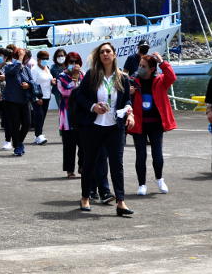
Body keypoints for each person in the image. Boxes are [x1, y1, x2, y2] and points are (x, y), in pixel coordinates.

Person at [74, 42, 135, 216]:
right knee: (89, 163)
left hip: (115, 127)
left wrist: (129, 113)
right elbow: (80, 97)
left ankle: (121, 202)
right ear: (99, 56)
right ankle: (85, 197)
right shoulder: (92, 75)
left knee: (117, 165)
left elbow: (126, 101)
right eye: (102, 52)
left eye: (108, 51)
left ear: (114, 55)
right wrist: (93, 106)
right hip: (94, 126)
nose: (105, 54)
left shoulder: (122, 77)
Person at [128, 52, 176, 195]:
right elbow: (122, 95)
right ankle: (142, 184)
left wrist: (162, 62)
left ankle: (159, 179)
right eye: (140, 65)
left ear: (152, 69)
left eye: (144, 66)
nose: (140, 68)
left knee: (158, 154)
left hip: (156, 124)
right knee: (140, 155)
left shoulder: (160, 80)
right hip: (139, 124)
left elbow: (172, 77)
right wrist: (128, 92)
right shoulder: (132, 81)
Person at [3, 47, 41, 157]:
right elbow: (14, 71)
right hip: (12, 100)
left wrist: (28, 85)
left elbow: (32, 82)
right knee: (15, 124)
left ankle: (18, 142)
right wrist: (20, 58)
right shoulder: (9, 66)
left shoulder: (26, 69)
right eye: (22, 56)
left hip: (24, 100)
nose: (24, 59)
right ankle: (18, 146)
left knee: (27, 123)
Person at [56, 51, 83, 179]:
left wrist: (78, 78)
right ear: (66, 63)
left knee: (84, 143)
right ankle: (69, 170)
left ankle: (83, 166)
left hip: (82, 114)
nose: (74, 64)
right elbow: (65, 92)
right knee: (69, 145)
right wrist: (74, 80)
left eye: (76, 62)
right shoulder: (61, 76)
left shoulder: (83, 75)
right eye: (71, 62)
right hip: (67, 115)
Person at [31, 50, 54, 145]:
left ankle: (38, 135)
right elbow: (33, 84)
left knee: (43, 116)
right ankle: (39, 135)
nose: (45, 60)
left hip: (47, 96)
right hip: (38, 97)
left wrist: (53, 82)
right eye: (43, 59)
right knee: (39, 115)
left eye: (47, 59)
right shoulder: (34, 70)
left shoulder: (46, 68)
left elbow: (49, 79)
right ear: (38, 59)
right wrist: (37, 98)